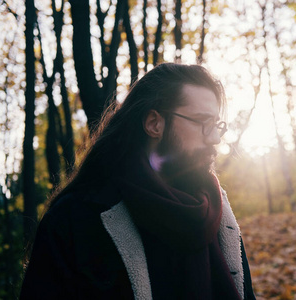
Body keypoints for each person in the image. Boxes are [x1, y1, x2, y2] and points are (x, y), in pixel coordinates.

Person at [20, 63, 256, 300]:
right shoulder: (76, 217)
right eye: (203, 122)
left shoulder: (217, 209)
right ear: (154, 123)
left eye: (216, 125)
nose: (215, 138)